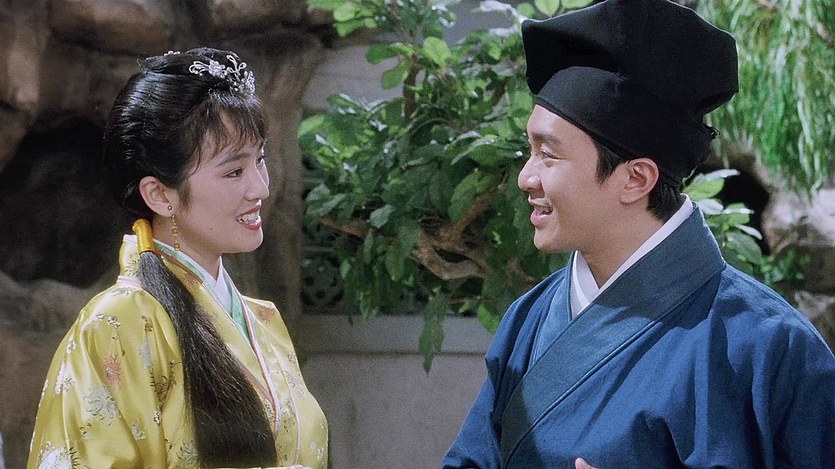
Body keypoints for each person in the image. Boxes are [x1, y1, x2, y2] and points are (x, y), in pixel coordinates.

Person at [443, 1, 835, 468]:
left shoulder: (769, 346)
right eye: (530, 151)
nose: (526, 178)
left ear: (636, 179)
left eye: (548, 155)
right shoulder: (527, 321)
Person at [28, 48, 327, 469]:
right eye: (234, 172)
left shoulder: (264, 322)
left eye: (259, 161)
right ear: (159, 194)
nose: (261, 187)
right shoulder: (117, 324)